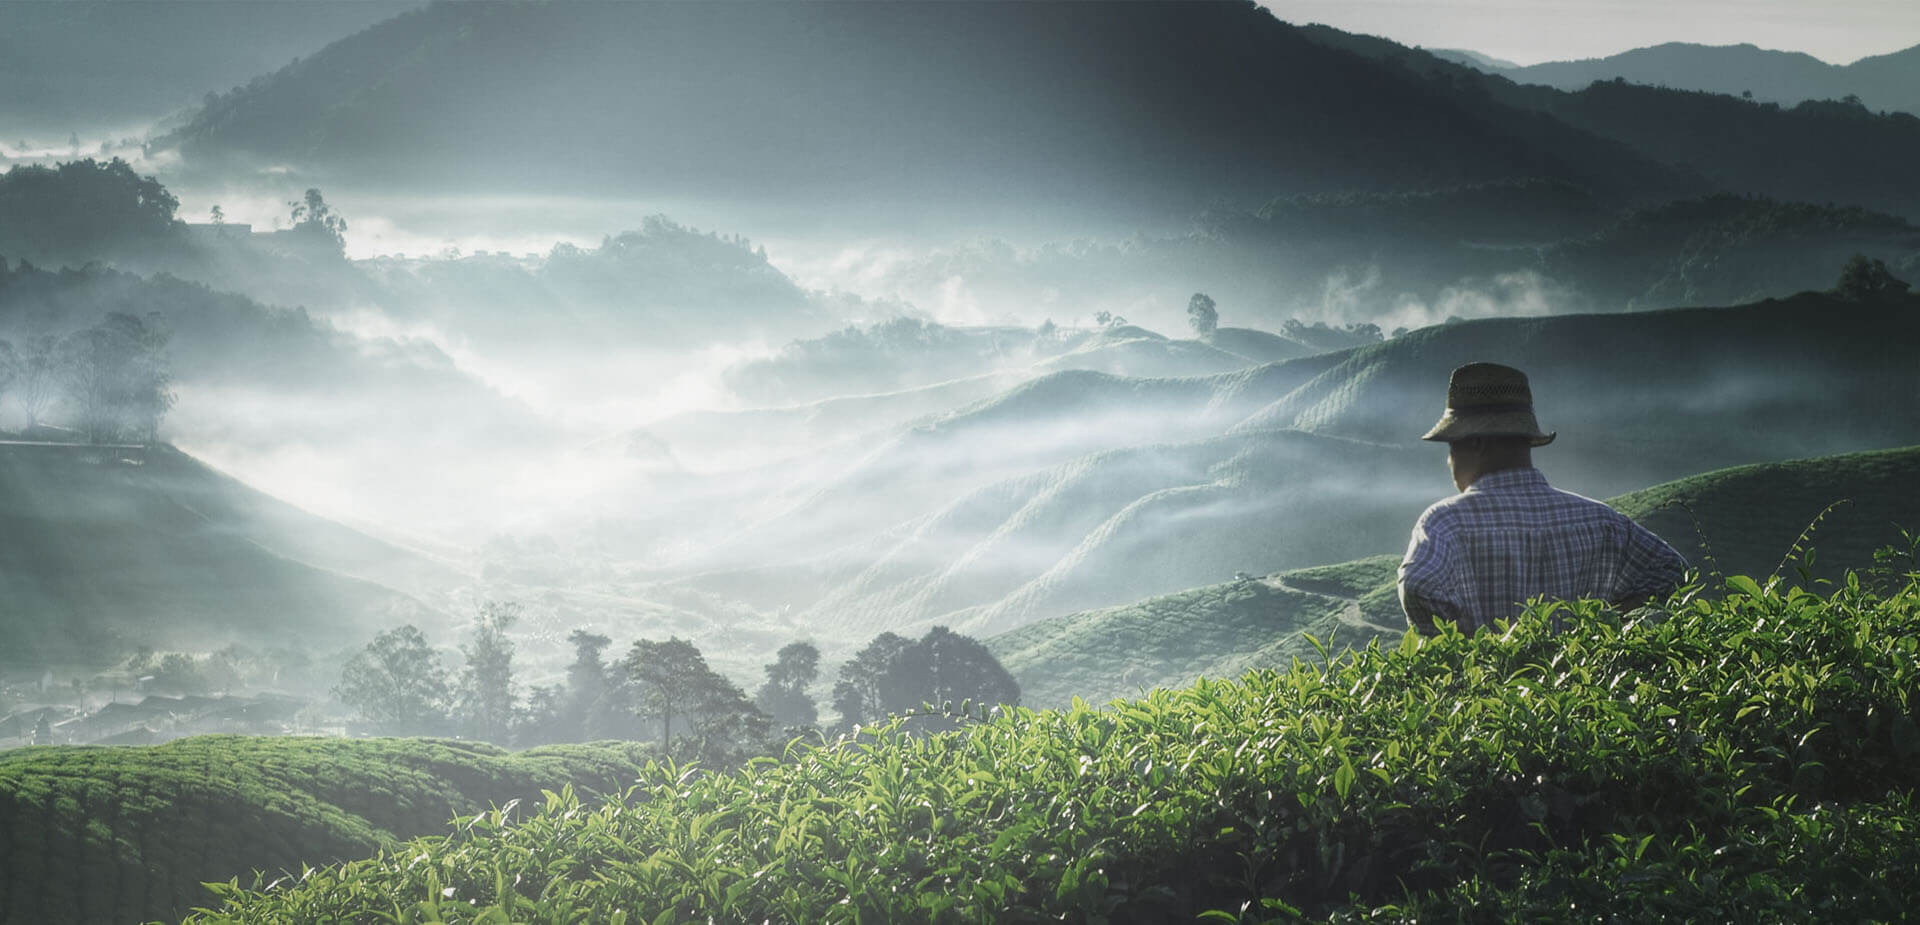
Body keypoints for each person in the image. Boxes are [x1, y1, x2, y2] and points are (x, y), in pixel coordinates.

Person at [1397, 362, 1687, 635]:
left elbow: (1419, 585)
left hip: (1483, 686)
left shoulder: (1445, 524)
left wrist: (1460, 646)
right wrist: (1605, 627)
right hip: (1582, 685)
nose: (1449, 462)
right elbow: (1672, 571)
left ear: (1475, 443)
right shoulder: (1602, 522)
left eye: (1451, 448)